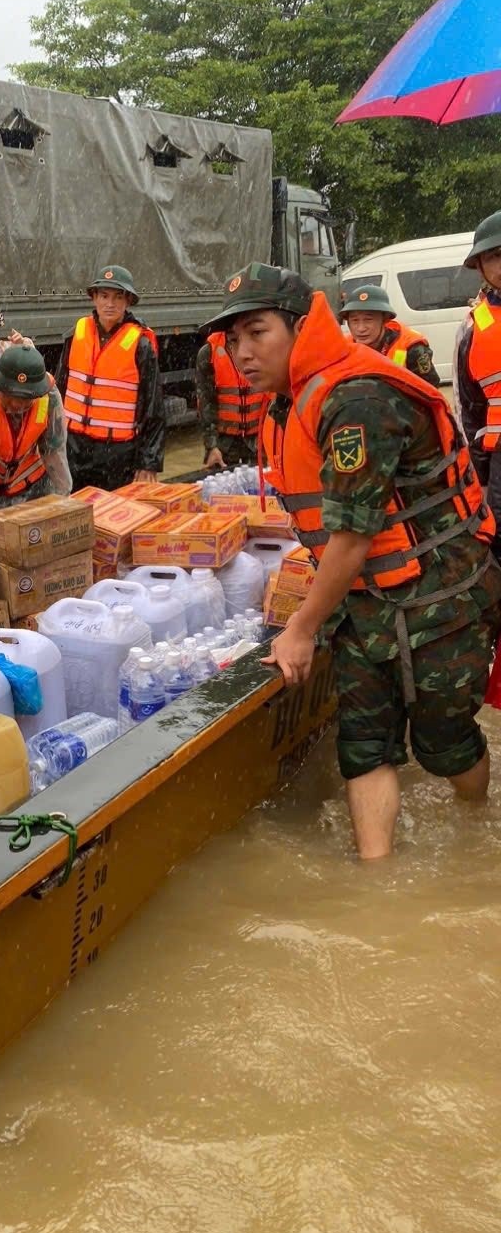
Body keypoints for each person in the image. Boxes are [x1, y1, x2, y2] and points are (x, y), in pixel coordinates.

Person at [203, 262, 501, 861]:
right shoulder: (293, 401)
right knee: (364, 745)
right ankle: (377, 881)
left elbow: (352, 536)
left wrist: (301, 629)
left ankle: (478, 833)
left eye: (257, 333)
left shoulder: (357, 397)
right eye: (233, 340)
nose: (242, 353)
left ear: (298, 328)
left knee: (446, 744)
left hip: (440, 597)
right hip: (365, 600)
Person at [57, 264, 164, 491]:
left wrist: (149, 461)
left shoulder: (141, 344)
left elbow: (153, 405)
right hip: (74, 448)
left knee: (112, 518)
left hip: (116, 454)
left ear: (128, 302)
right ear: (93, 298)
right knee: (75, 515)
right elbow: (59, 389)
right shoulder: (75, 335)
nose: (110, 304)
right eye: (104, 296)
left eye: (118, 297)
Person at [0, 344, 72, 530]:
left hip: (30, 488)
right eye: (11, 396)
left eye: (26, 399)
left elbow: (55, 451)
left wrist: (64, 501)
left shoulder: (49, 395)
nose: (17, 404)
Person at [457, 211, 501, 522]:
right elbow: (470, 410)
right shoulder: (475, 328)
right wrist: (480, 475)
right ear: (481, 267)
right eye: (495, 256)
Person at [196, 330, 274, 468]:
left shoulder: (268, 346)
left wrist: (273, 444)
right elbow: (206, 403)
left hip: (259, 444)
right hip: (224, 446)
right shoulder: (209, 352)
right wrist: (211, 446)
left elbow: (278, 398)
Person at [339, 284, 440, 384]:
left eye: (368, 320)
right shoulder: (343, 349)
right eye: (355, 320)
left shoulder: (411, 346)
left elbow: (429, 389)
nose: (361, 328)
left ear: (385, 319)